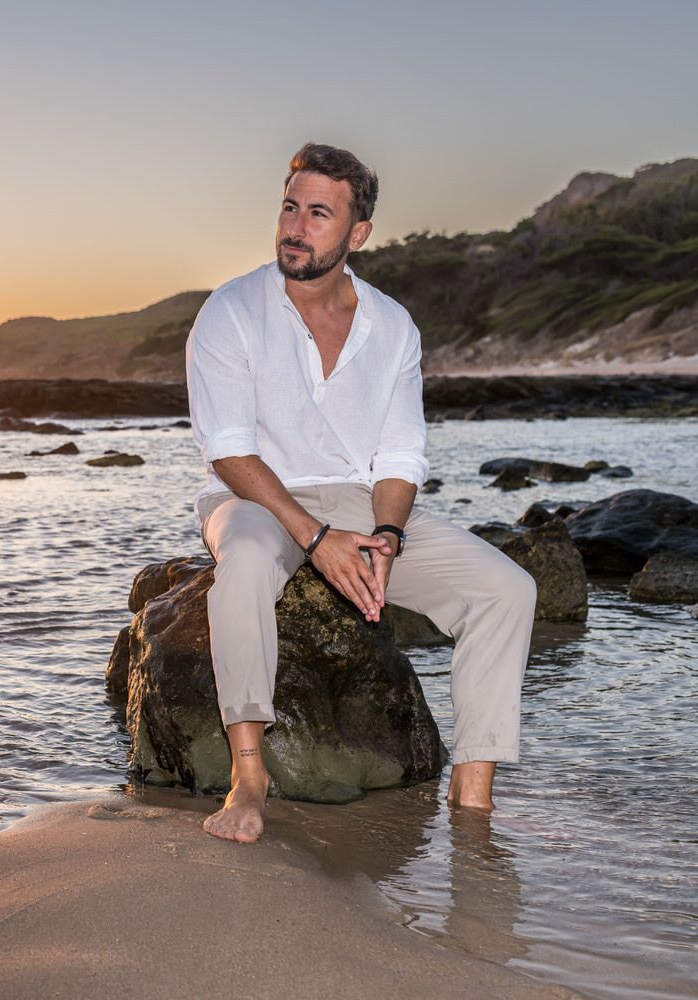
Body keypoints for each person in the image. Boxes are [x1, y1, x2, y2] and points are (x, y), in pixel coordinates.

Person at [184, 142, 535, 844]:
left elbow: (401, 453)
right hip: (257, 500)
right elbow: (227, 451)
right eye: (290, 207)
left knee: (508, 589)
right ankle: (248, 777)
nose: (296, 225)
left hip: (360, 498)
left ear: (357, 233)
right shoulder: (229, 312)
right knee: (247, 564)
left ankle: (474, 790)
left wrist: (388, 537)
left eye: (319, 213)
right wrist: (315, 540)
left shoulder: (393, 325)